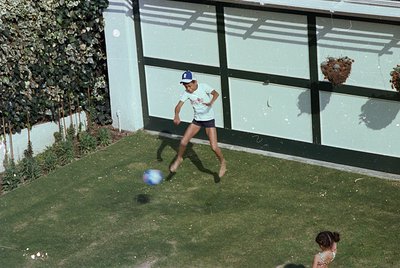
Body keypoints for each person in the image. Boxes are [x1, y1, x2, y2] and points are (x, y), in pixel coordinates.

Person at [169, 70, 226, 178]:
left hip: (209, 121)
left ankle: (223, 162)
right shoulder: (186, 93)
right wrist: (176, 115)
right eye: (186, 87)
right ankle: (179, 158)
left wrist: (211, 102)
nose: (188, 89)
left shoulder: (204, 87)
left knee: (214, 147)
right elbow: (178, 106)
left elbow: (216, 93)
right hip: (197, 121)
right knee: (183, 141)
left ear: (195, 82)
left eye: (189, 86)